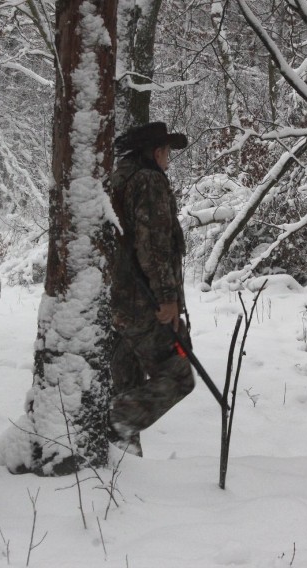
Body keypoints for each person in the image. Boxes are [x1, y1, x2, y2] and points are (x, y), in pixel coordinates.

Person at [108, 122, 195, 456]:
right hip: (144, 304)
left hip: (118, 304)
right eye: (168, 152)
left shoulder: (118, 180)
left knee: (126, 384)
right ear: (157, 152)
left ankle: (123, 459)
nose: (169, 159)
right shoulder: (149, 181)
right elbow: (154, 244)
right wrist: (167, 298)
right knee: (179, 375)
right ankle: (109, 423)